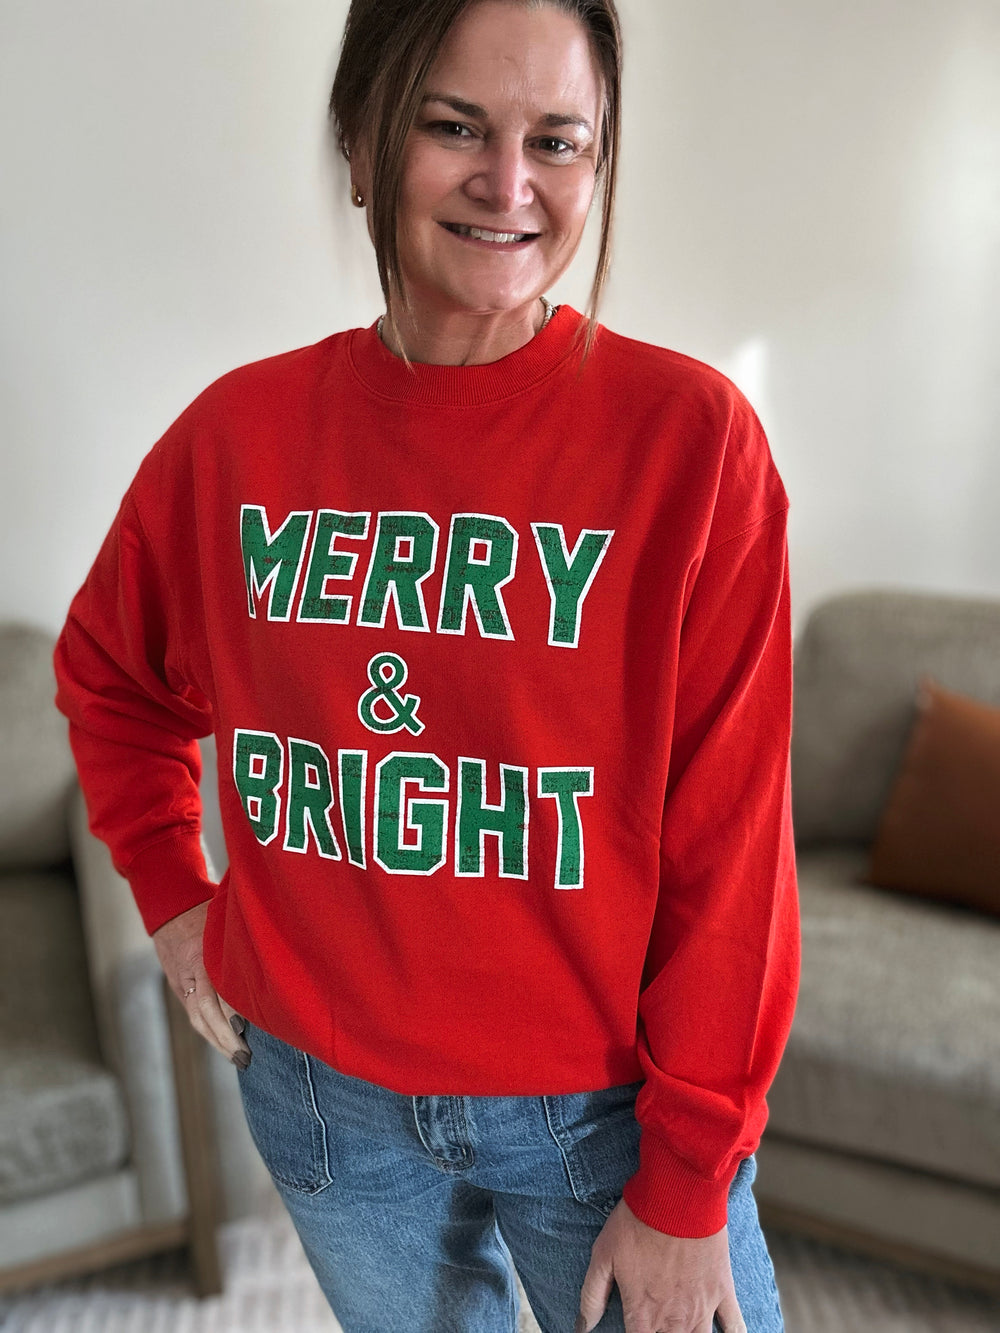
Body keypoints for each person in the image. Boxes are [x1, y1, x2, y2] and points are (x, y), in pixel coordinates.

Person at [53, 0, 799, 1329]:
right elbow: (110, 676)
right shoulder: (236, 440)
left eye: (557, 141)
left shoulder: (692, 445)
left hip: (600, 1115)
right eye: (455, 127)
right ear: (362, 143)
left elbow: (733, 852)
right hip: (319, 1095)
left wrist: (690, 1179)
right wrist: (173, 896)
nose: (509, 186)